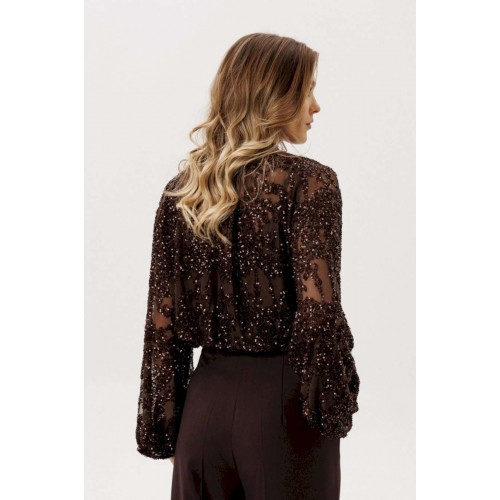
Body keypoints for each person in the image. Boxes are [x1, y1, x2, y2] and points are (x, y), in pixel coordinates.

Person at [135, 32, 360, 499]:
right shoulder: (310, 183)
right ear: (274, 97)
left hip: (203, 410)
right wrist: (330, 409)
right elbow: (319, 313)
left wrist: (171, 427)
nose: (316, 106)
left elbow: (162, 326)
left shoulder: (184, 191)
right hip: (283, 410)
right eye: (306, 91)